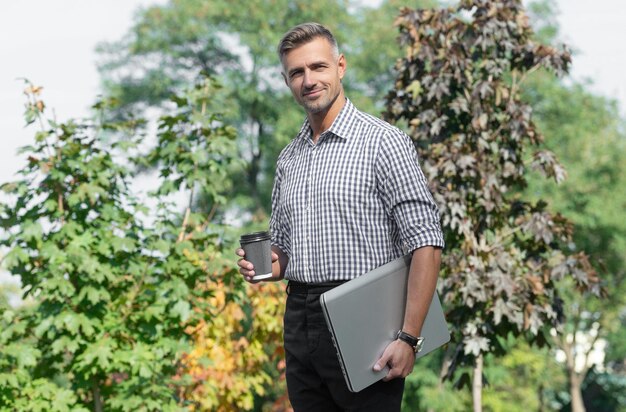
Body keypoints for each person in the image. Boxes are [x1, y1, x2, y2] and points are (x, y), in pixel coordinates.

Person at [236, 22, 444, 411]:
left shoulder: (383, 142)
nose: (308, 80)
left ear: (340, 67)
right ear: (286, 81)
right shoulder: (288, 158)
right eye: (297, 72)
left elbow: (426, 243)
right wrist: (269, 264)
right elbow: (284, 252)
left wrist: (410, 337)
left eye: (318, 67)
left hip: (365, 321)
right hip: (299, 319)